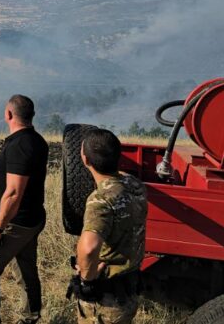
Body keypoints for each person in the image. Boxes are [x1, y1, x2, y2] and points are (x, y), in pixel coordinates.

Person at [0, 95, 49, 324]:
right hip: (31, 218)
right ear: (31, 115)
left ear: (8, 114)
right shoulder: (37, 141)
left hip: (15, 222)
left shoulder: (20, 145)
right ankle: (30, 317)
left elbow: (14, 192)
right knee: (25, 270)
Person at [70, 128, 148, 324]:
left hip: (106, 300)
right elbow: (117, 176)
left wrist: (87, 280)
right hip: (128, 291)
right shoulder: (135, 184)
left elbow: (89, 249)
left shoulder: (100, 200)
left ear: (85, 160)